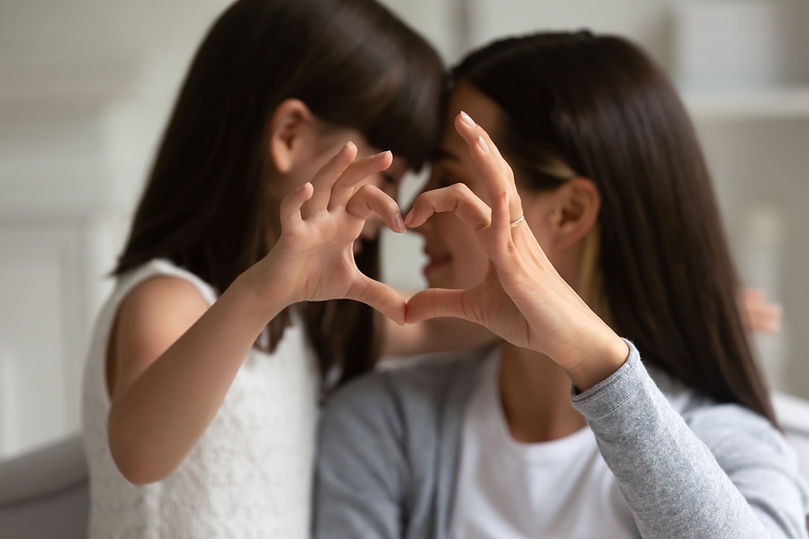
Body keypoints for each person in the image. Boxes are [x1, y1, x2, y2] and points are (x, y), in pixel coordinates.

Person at [314, 31, 809, 538]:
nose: (415, 212)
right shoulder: (385, 424)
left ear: (569, 212)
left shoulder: (730, 445)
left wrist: (598, 363)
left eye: (447, 176)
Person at [79, 0, 444, 537]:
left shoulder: (302, 320)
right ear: (289, 135)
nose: (394, 208)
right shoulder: (168, 298)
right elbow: (140, 454)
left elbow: (436, 323)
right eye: (388, 177)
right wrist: (262, 292)